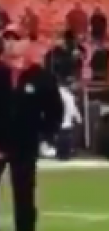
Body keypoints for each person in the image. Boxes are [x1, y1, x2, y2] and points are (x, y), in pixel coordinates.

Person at [0, 24, 64, 231]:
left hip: (24, 146)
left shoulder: (41, 77)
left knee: (24, 197)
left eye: (16, 38)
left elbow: (55, 110)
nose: (10, 42)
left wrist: (45, 135)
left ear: (27, 42)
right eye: (7, 38)